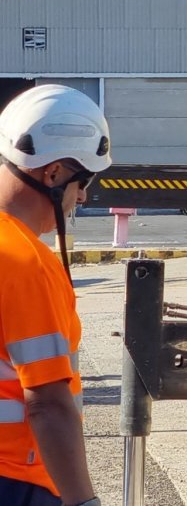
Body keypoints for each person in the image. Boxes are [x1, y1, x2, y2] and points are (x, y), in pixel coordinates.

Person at [0, 85, 109, 506]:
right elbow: (47, 403)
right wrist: (84, 502)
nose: (81, 197)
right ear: (54, 173)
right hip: (15, 479)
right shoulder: (26, 262)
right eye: (82, 182)